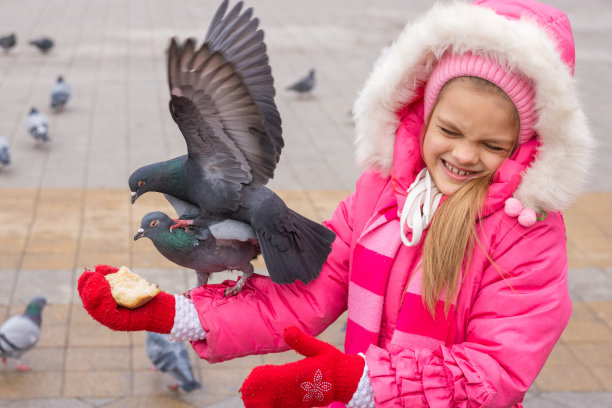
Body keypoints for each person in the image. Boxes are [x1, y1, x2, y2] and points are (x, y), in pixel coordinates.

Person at [77, 0, 594, 406]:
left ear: (524, 146)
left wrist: (361, 382)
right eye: (450, 130)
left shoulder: (527, 238)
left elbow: (496, 373)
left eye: (491, 144)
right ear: (423, 114)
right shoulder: (379, 199)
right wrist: (180, 314)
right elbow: (303, 294)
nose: (462, 154)